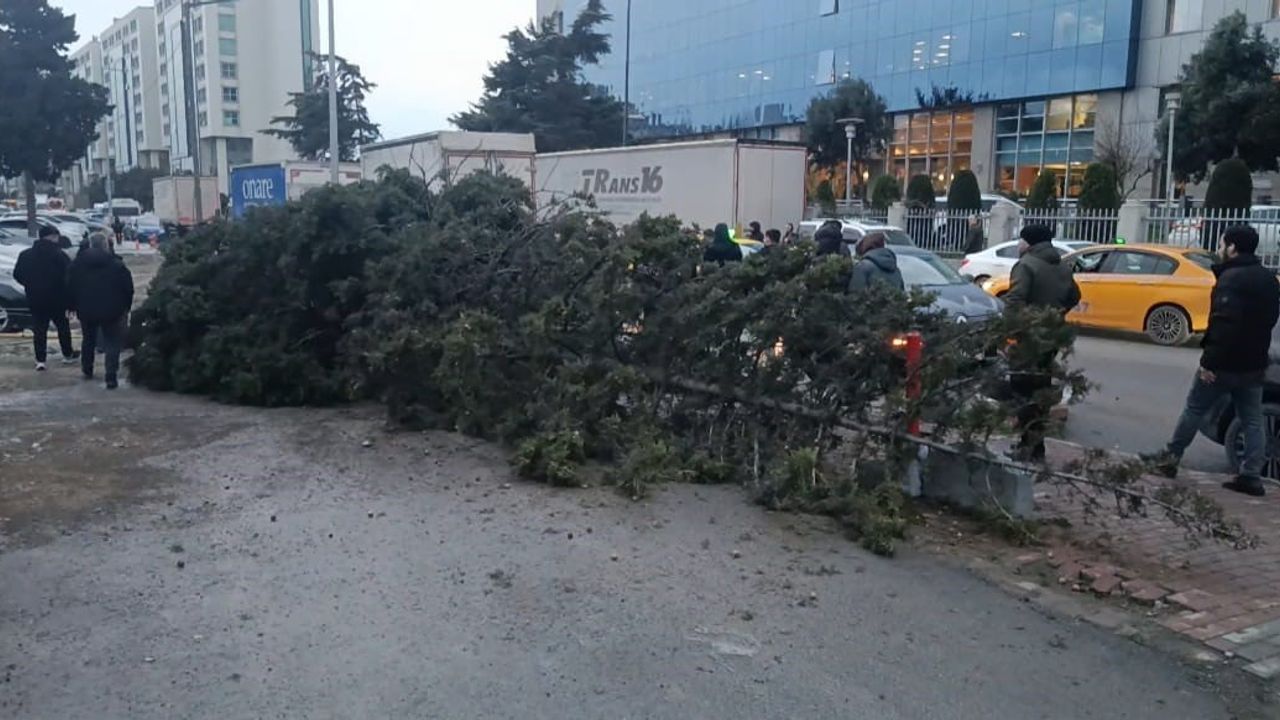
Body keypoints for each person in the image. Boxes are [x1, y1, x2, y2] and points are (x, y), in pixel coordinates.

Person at [1144, 225, 1280, 496]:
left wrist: (1209, 362)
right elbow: (1270, 320)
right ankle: (1251, 475)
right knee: (1252, 419)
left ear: (1232, 247)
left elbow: (1223, 325)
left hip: (1225, 363)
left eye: (1222, 244)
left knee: (1194, 408)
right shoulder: (1268, 279)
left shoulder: (1231, 279)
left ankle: (1170, 459)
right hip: (1255, 362)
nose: (1219, 250)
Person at [1004, 224, 1082, 462]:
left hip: (1028, 337)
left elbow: (1014, 301)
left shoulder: (1026, 265)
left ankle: (1027, 445)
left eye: (1021, 240)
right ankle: (1036, 446)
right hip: (1052, 336)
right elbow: (1075, 296)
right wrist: (1056, 314)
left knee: (1022, 390)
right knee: (1040, 389)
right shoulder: (1061, 266)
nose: (1018, 245)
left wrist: (1010, 334)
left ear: (1029, 243)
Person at [68, 232, 135, 389]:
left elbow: (70, 286)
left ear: (90, 245)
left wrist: (72, 305)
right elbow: (128, 288)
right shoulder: (117, 265)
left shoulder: (77, 264)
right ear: (106, 245)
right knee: (112, 342)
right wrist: (126, 306)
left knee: (88, 339)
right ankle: (111, 376)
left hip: (86, 309)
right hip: (113, 309)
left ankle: (87, 369)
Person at [13, 225, 77, 371]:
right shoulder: (60, 255)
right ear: (52, 237)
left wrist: (29, 285)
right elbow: (69, 277)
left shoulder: (25, 255)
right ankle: (67, 354)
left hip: (35, 297)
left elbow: (17, 274)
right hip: (57, 298)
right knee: (62, 326)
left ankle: (40, 360)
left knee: (39, 328)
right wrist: (70, 298)